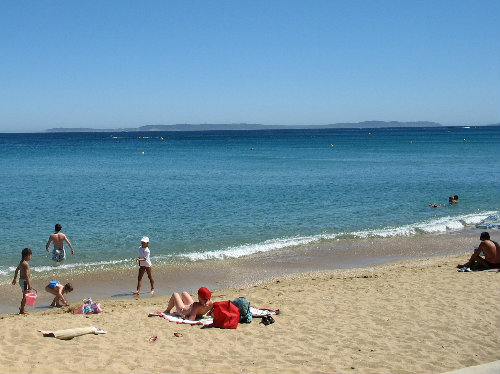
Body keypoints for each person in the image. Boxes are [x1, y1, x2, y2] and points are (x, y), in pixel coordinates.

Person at [12, 248, 34, 314]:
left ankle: (22, 307)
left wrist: (15, 279)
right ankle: (22, 310)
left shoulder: (21, 262)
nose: (30, 257)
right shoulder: (25, 264)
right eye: (30, 255)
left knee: (25, 295)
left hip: (21, 280)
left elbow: (16, 270)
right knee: (26, 296)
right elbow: (27, 276)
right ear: (27, 256)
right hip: (24, 281)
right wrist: (29, 285)